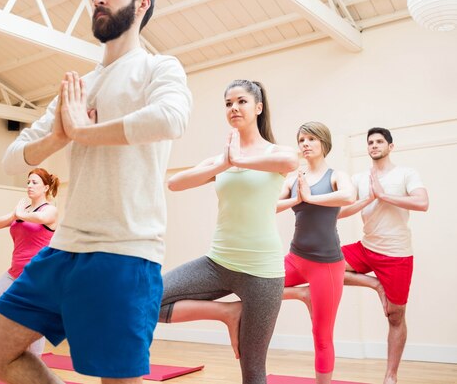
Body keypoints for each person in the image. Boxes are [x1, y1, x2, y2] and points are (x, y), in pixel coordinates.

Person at [0, 0, 192, 383]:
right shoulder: (78, 87)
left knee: (117, 378)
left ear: (142, 4)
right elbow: (12, 159)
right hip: (62, 250)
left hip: (124, 252)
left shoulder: (160, 68)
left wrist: (83, 132)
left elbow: (170, 118)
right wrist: (57, 135)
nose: (98, 0)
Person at [158, 79, 298, 384]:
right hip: (217, 263)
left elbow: (291, 160)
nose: (234, 108)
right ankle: (226, 313)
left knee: (253, 370)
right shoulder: (222, 160)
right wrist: (223, 163)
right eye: (228, 103)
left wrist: (239, 160)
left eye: (242, 102)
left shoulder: (275, 153)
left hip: (263, 273)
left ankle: (231, 316)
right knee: (148, 299)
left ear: (258, 108)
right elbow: (174, 183)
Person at [338, 127, 428, 384]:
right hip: (367, 248)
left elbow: (422, 202)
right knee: (326, 265)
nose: (374, 145)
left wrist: (385, 195)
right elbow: (341, 212)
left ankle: (391, 375)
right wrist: (368, 199)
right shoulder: (359, 178)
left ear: (391, 146)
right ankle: (375, 284)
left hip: (397, 255)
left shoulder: (406, 174)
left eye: (379, 141)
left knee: (396, 315)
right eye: (370, 142)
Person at [276, 122, 355, 384]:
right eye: (301, 140)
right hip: (296, 258)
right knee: (261, 287)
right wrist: (297, 199)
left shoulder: (336, 175)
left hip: (327, 266)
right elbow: (271, 206)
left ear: (323, 143)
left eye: (311, 139)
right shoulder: (292, 179)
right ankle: (301, 293)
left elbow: (349, 196)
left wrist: (311, 198)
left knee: (322, 335)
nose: (305, 144)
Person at [0, 168, 59, 357]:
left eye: (35, 182)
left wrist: (20, 213)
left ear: (46, 187)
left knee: (35, 326)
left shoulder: (50, 210)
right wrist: (16, 214)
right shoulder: (22, 211)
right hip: (14, 272)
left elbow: (41, 218)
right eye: (28, 182)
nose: (29, 186)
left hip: (37, 277)